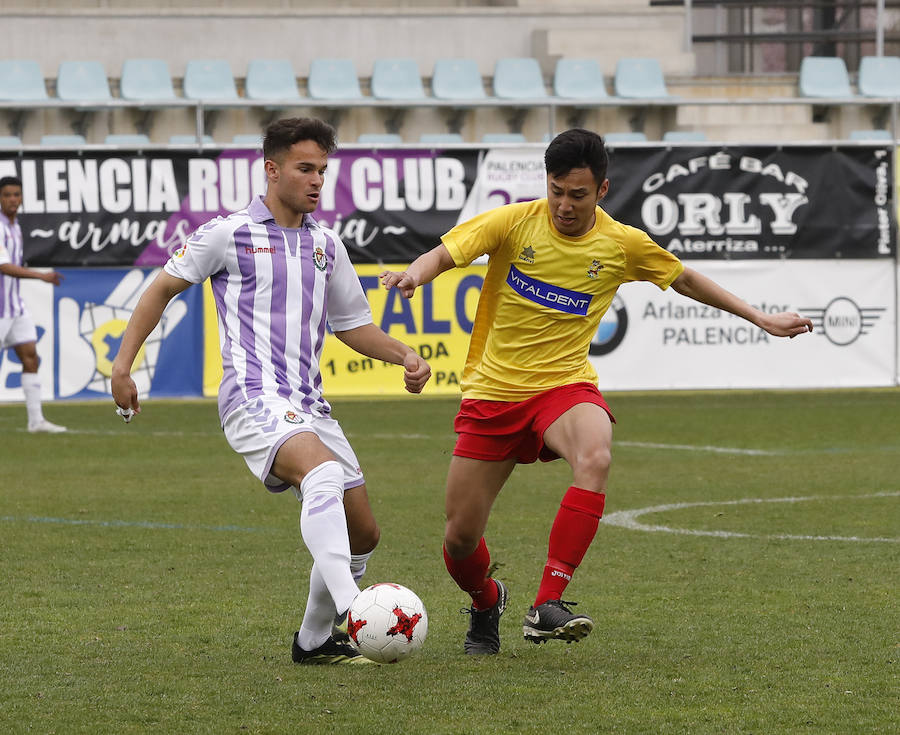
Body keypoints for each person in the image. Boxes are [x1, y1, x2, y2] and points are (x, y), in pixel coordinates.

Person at [380, 128, 813, 655]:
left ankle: (547, 604)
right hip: (493, 395)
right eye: (556, 190)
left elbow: (686, 280)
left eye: (577, 195)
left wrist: (760, 317)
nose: (564, 204)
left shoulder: (621, 243)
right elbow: (446, 253)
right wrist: (414, 277)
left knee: (596, 452)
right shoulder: (514, 222)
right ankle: (486, 598)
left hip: (564, 386)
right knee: (459, 539)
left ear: (602, 190)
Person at [111, 117, 432, 665]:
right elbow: (161, 288)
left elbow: (351, 325)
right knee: (323, 475)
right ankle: (358, 614)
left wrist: (403, 353)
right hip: (252, 396)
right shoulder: (227, 233)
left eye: (323, 171)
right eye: (305, 169)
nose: (316, 181)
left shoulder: (327, 245)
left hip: (309, 403)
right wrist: (122, 367)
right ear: (272, 169)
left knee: (364, 535)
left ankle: (312, 641)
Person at [0, 175, 67, 433]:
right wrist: (42, 276)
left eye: (16, 194)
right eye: (7, 195)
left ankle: (36, 421)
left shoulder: (15, 227)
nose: (13, 199)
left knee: (30, 357)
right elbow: (4, 266)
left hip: (15, 307)